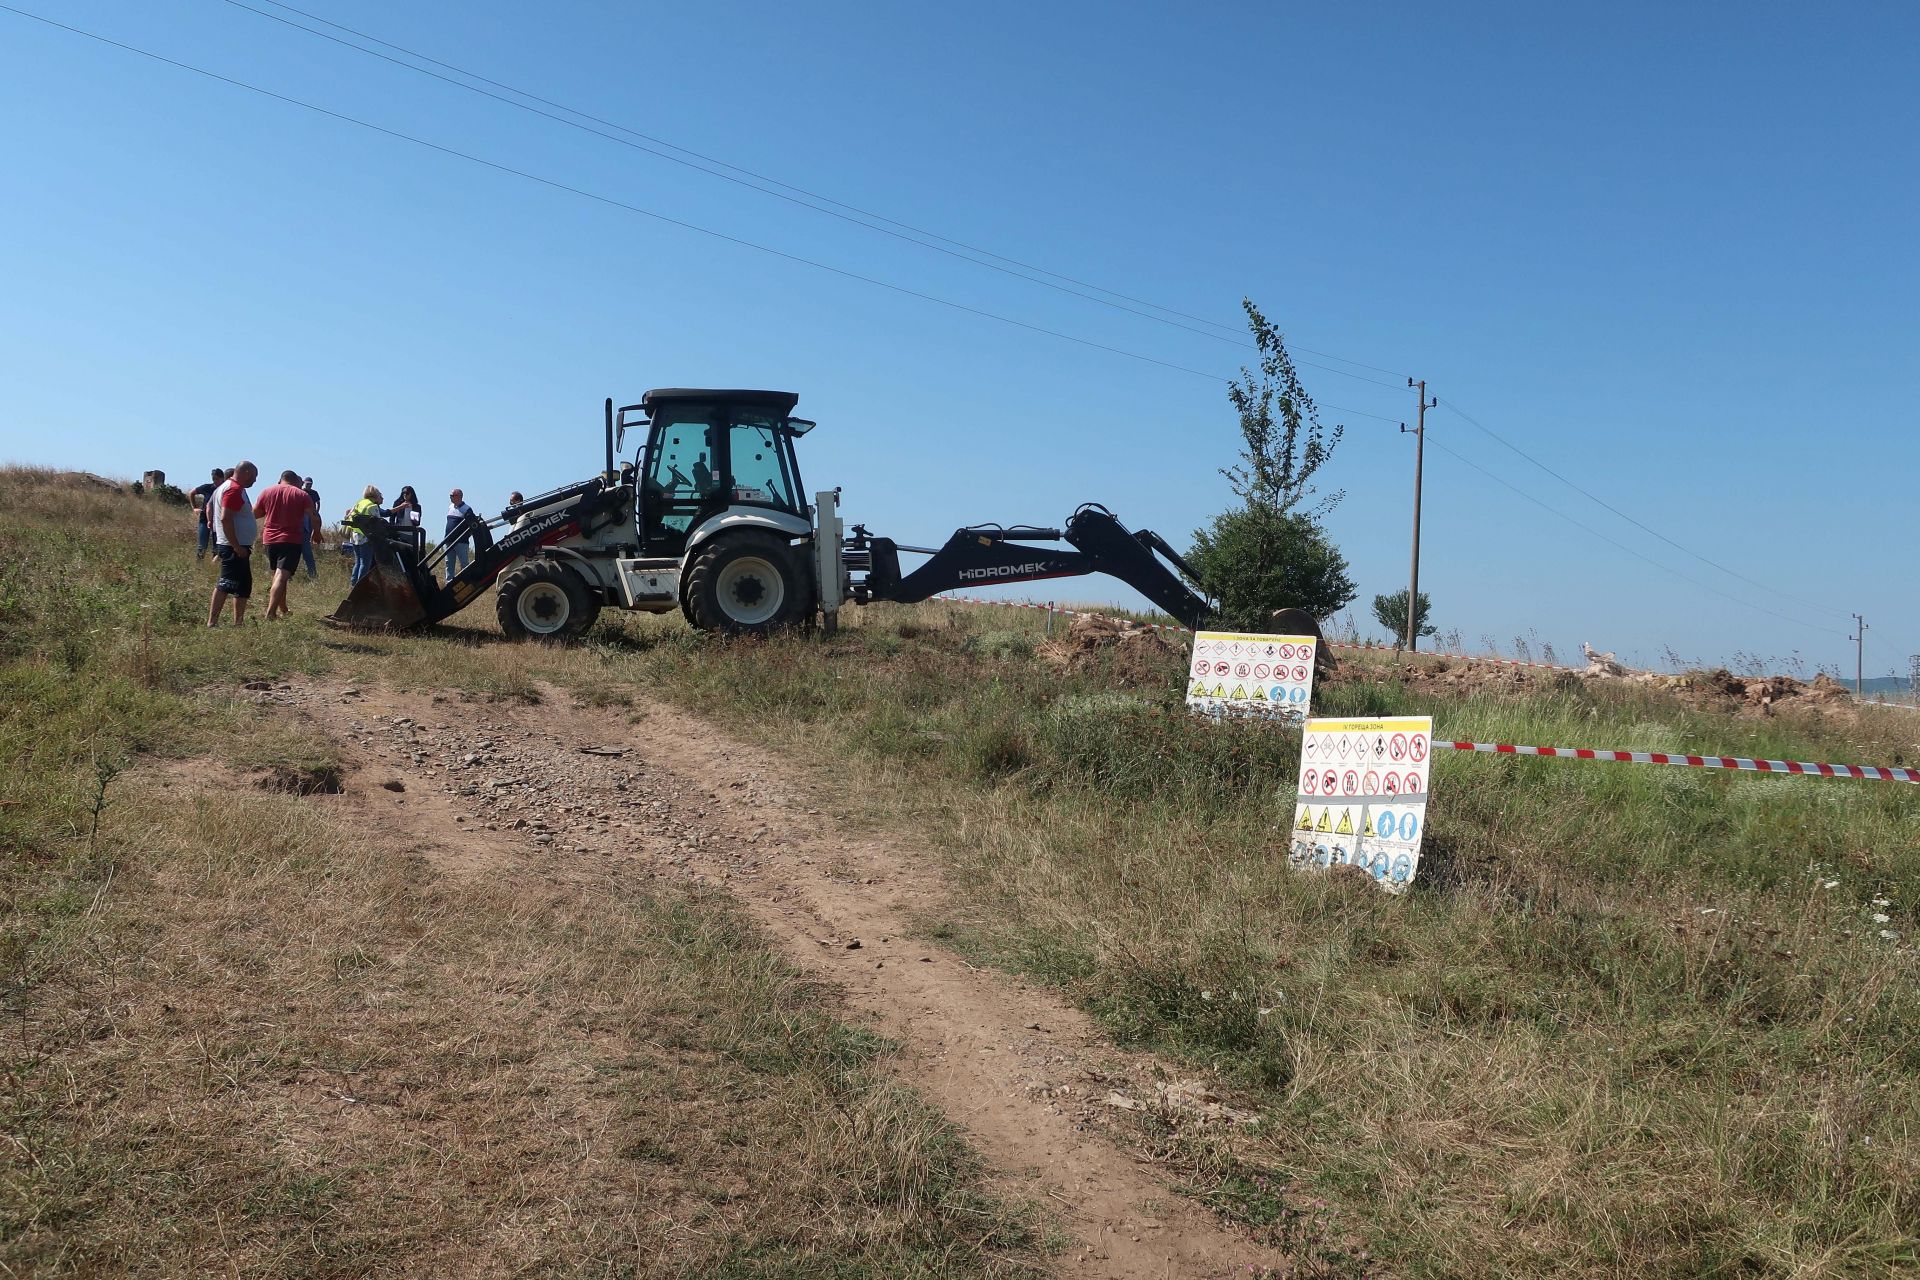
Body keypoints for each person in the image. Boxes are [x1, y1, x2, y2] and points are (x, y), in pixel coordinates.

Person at [254, 470, 321, 620]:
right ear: (295, 481)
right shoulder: (302, 495)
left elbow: (256, 513)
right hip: (290, 539)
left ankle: (283, 608)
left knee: (277, 575)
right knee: (282, 576)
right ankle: (270, 613)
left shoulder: (267, 491)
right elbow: (314, 516)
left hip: (270, 540)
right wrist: (316, 532)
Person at [207, 461, 259, 626]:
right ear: (247, 473)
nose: (255, 481)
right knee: (226, 583)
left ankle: (239, 622)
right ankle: (212, 622)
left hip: (237, 546)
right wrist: (236, 545)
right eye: (254, 477)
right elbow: (225, 517)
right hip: (233, 547)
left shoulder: (227, 488)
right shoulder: (234, 489)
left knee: (243, 586)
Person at [348, 485, 384, 586]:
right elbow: (378, 522)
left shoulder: (359, 502)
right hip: (366, 536)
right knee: (365, 563)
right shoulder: (372, 506)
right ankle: (359, 586)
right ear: (375, 495)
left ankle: (353, 584)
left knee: (358, 562)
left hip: (355, 535)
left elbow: (350, 515)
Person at [190, 467, 225, 560]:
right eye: (213, 479)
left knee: (217, 546)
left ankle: (214, 566)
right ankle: (199, 566)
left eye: (217, 479)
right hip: (204, 520)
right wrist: (195, 508)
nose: (215, 481)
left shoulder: (225, 490)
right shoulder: (207, 487)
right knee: (202, 545)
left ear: (222, 478)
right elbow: (192, 493)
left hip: (218, 521)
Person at [444, 487, 477, 584]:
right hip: (449, 540)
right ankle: (449, 583)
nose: (450, 497)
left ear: (459, 496)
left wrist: (465, 536)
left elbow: (473, 525)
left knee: (464, 564)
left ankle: (465, 582)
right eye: (450, 495)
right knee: (449, 563)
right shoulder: (450, 507)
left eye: (452, 495)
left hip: (461, 542)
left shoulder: (466, 509)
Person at [299, 476, 322, 580]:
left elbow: (318, 502)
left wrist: (316, 511)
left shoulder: (314, 493)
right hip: (302, 520)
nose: (308, 485)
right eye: (307, 483)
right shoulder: (301, 492)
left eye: (310, 484)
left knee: (307, 551)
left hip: (309, 516)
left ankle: (312, 574)